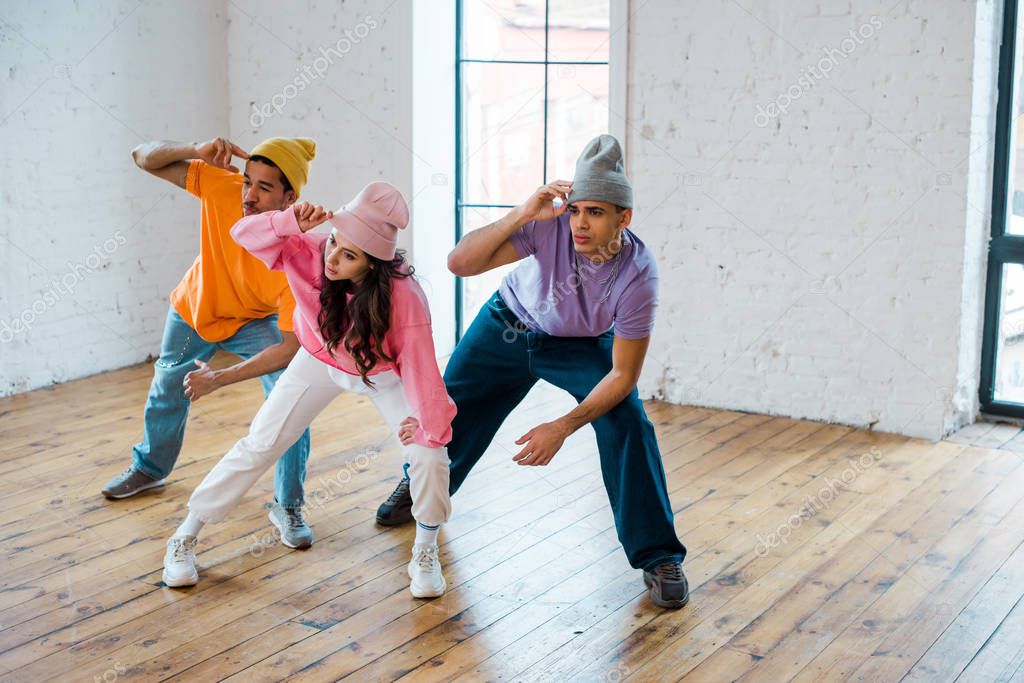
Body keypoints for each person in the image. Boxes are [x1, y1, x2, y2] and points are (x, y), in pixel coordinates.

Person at [378, 134, 689, 608]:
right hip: (506, 324)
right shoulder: (551, 227)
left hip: (579, 345)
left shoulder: (638, 274)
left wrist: (563, 426)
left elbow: (622, 376)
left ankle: (659, 557)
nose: (580, 224)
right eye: (576, 209)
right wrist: (523, 213)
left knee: (628, 422)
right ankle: (420, 487)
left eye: (596, 213)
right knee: (448, 413)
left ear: (624, 217)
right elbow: (459, 263)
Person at [161, 182, 455, 598]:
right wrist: (287, 222)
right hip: (318, 359)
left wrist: (428, 424)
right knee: (262, 441)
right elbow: (241, 234)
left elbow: (422, 366)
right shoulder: (310, 250)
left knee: (429, 451)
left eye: (349, 255)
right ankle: (185, 535)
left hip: (384, 373)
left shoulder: (404, 298)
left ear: (372, 265)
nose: (332, 258)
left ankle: (425, 547)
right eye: (334, 242)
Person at [101, 136, 318, 550]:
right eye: (247, 182)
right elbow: (140, 155)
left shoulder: (296, 256)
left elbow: (291, 348)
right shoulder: (222, 186)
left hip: (254, 323)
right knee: (167, 386)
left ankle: (288, 504)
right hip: (194, 309)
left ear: (290, 197)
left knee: (291, 399)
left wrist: (219, 378)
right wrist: (196, 149)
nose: (249, 196)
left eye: (264, 188)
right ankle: (150, 468)